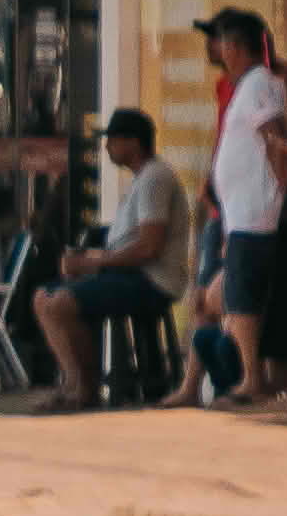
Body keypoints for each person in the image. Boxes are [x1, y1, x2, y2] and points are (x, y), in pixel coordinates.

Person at [34, 112, 188, 412]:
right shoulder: (141, 179)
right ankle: (73, 382)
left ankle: (85, 388)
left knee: (63, 302)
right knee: (43, 298)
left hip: (152, 280)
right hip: (129, 275)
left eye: (113, 140)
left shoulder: (155, 178)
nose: (106, 147)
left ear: (134, 143)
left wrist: (92, 264)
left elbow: (149, 247)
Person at [196, 6, 287, 404]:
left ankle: (252, 378)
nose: (218, 50)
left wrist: (285, 190)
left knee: (242, 296)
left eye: (223, 43)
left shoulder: (258, 84)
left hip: (255, 212)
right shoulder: (249, 85)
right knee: (233, 294)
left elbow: (275, 137)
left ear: (235, 47)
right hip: (241, 215)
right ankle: (250, 376)